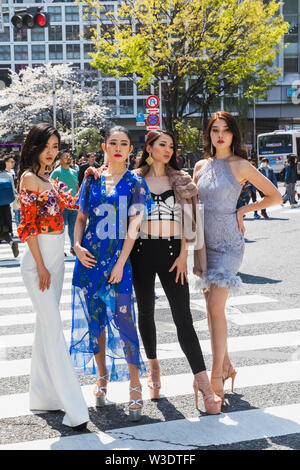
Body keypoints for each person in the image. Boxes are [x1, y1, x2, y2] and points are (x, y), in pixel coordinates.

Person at [130, 130, 222, 415]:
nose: (168, 149)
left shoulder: (182, 180)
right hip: (141, 253)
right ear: (149, 147)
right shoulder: (134, 179)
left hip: (173, 255)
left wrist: (185, 254)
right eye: (162, 145)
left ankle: (205, 387)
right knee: (145, 311)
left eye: (171, 145)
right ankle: (154, 368)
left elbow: (190, 223)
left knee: (183, 318)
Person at [193, 111, 282, 405]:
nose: (220, 135)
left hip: (230, 244)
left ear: (233, 134)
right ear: (209, 134)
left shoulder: (241, 165)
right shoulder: (200, 166)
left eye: (226, 130)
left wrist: (242, 211)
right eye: (215, 130)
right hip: (205, 244)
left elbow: (274, 196)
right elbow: (193, 209)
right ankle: (228, 365)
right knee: (210, 309)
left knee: (216, 307)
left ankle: (216, 374)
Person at [70, 126, 154, 422]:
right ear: (104, 147)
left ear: (131, 149)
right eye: (113, 143)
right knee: (96, 324)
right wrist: (76, 246)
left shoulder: (136, 183)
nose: (118, 147)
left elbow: (133, 228)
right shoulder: (90, 180)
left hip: (119, 264)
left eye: (124, 144)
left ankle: (135, 386)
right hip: (89, 262)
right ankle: (102, 377)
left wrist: (120, 263)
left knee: (124, 321)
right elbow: (81, 219)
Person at [17, 123, 89, 430]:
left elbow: (72, 204)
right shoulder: (29, 178)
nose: (52, 151)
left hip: (55, 256)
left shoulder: (49, 177)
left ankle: (43, 396)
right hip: (38, 261)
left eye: (56, 146)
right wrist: (41, 265)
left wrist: (91, 177)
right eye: (47, 146)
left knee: (44, 327)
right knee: (54, 328)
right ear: (34, 146)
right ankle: (73, 407)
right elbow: (27, 226)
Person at [50, 151, 79, 255]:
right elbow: (51, 188)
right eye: (66, 157)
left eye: (69, 157)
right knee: (60, 230)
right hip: (61, 206)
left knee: (74, 229)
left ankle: (73, 248)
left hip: (74, 206)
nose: (69, 159)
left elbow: (77, 187)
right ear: (60, 160)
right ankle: (59, 250)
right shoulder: (56, 172)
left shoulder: (74, 172)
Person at [0, 159, 19, 257]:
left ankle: (12, 244)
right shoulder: (8, 175)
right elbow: (12, 190)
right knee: (4, 230)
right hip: (6, 206)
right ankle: (12, 243)